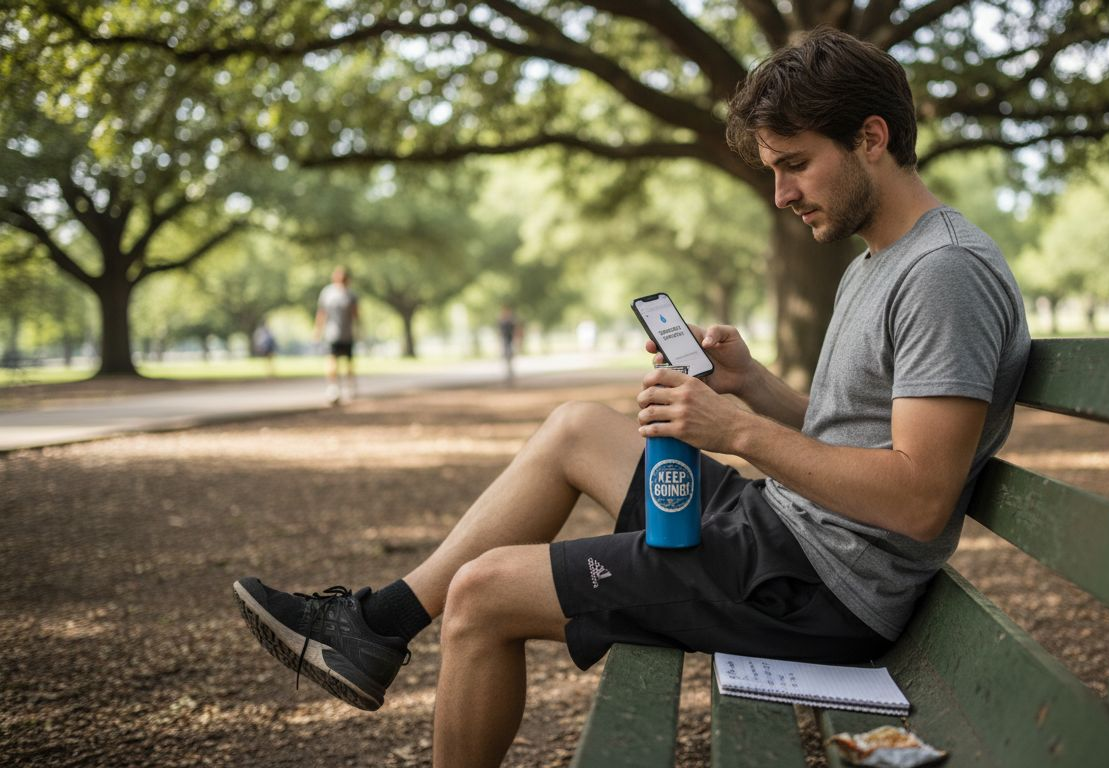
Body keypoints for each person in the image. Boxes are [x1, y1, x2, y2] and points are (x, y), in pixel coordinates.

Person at [232, 28, 1030, 768]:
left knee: (482, 593)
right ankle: (377, 626)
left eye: (795, 163)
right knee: (576, 428)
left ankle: (378, 629)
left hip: (818, 590)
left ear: (872, 138)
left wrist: (738, 430)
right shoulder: (880, 261)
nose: (781, 192)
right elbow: (857, 436)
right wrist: (751, 384)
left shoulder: (944, 275)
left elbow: (919, 498)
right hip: (786, 535)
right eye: (772, 169)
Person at [314, 266, 359, 404]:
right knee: (335, 361)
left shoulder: (340, 294)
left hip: (343, 334)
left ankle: (339, 387)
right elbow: (322, 314)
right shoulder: (340, 294)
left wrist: (317, 330)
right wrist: (318, 330)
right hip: (334, 334)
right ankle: (337, 387)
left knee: (342, 362)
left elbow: (322, 314)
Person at [497, 305, 519, 386]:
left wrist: (516, 338)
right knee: (506, 355)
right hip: (504, 340)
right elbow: (499, 330)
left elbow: (515, 329)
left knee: (510, 354)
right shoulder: (501, 321)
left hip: (511, 340)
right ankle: (508, 371)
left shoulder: (511, 321)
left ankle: (510, 371)